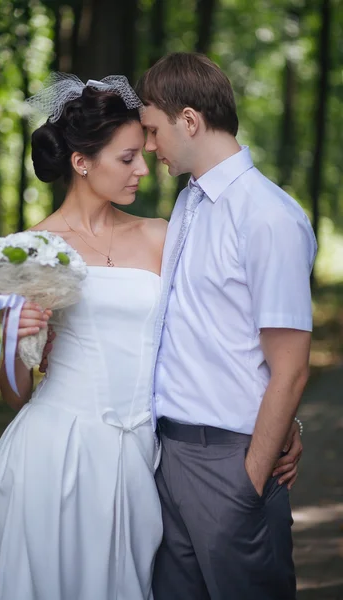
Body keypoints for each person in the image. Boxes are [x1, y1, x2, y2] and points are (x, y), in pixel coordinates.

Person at [135, 52, 316, 600]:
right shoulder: (191, 202)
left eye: (152, 130)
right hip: (169, 459)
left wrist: (250, 479)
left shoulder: (269, 216)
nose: (148, 146)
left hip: (230, 465)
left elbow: (291, 368)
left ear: (188, 120)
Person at [0, 76, 168, 600]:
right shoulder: (32, 249)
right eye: (128, 158)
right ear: (82, 161)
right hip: (56, 454)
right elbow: (16, 392)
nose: (143, 168)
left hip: (141, 458)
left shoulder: (159, 235)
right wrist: (14, 338)